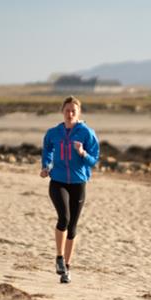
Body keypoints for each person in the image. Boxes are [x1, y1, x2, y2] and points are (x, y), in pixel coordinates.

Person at [40, 96, 99, 284]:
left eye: (74, 111)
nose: (70, 114)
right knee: (63, 218)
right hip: (57, 181)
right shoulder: (54, 132)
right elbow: (47, 150)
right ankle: (58, 257)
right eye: (67, 110)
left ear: (79, 113)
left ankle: (67, 267)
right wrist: (46, 165)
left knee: (72, 226)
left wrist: (82, 153)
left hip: (78, 183)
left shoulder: (87, 133)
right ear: (62, 111)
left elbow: (94, 160)